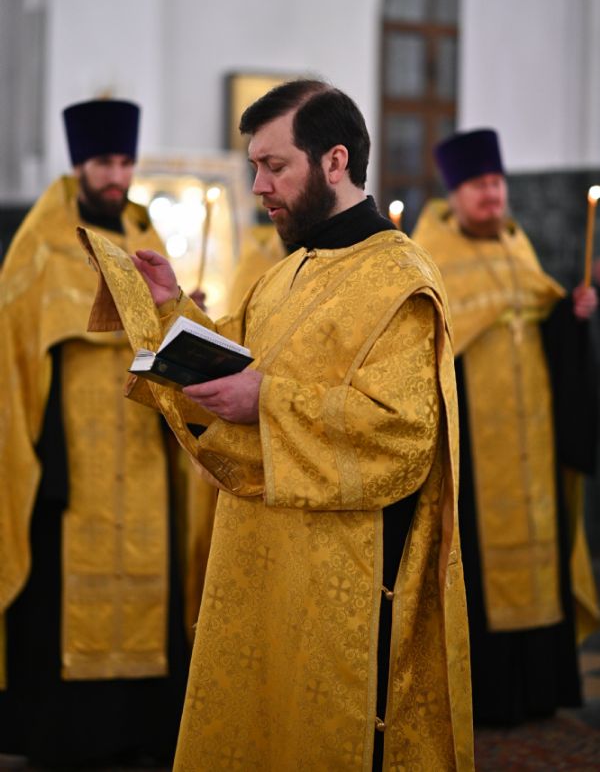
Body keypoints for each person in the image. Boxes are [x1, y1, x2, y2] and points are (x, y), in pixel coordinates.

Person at [87, 79, 474, 770]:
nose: (259, 186)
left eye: (274, 166)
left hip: (341, 578)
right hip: (260, 558)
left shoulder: (400, 280)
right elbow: (233, 359)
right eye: (255, 167)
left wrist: (267, 400)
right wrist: (170, 307)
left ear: (334, 161)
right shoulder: (286, 271)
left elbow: (404, 437)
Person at [0, 98, 191, 768]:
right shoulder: (42, 242)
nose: (117, 176)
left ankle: (142, 729)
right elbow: (15, 349)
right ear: (80, 163)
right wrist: (44, 459)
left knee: (151, 577)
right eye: (105, 162)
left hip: (143, 447)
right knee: (63, 590)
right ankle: (63, 736)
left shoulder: (144, 235)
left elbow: (169, 325)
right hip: (69, 456)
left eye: (126, 162)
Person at [412, 128, 600, 727]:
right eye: (478, 186)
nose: (491, 195)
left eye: (496, 183)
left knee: (543, 547)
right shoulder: (431, 254)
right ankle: (487, 696)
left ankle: (540, 689)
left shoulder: (519, 246)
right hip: (475, 446)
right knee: (476, 556)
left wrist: (571, 315)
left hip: (532, 437)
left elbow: (542, 315)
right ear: (454, 195)